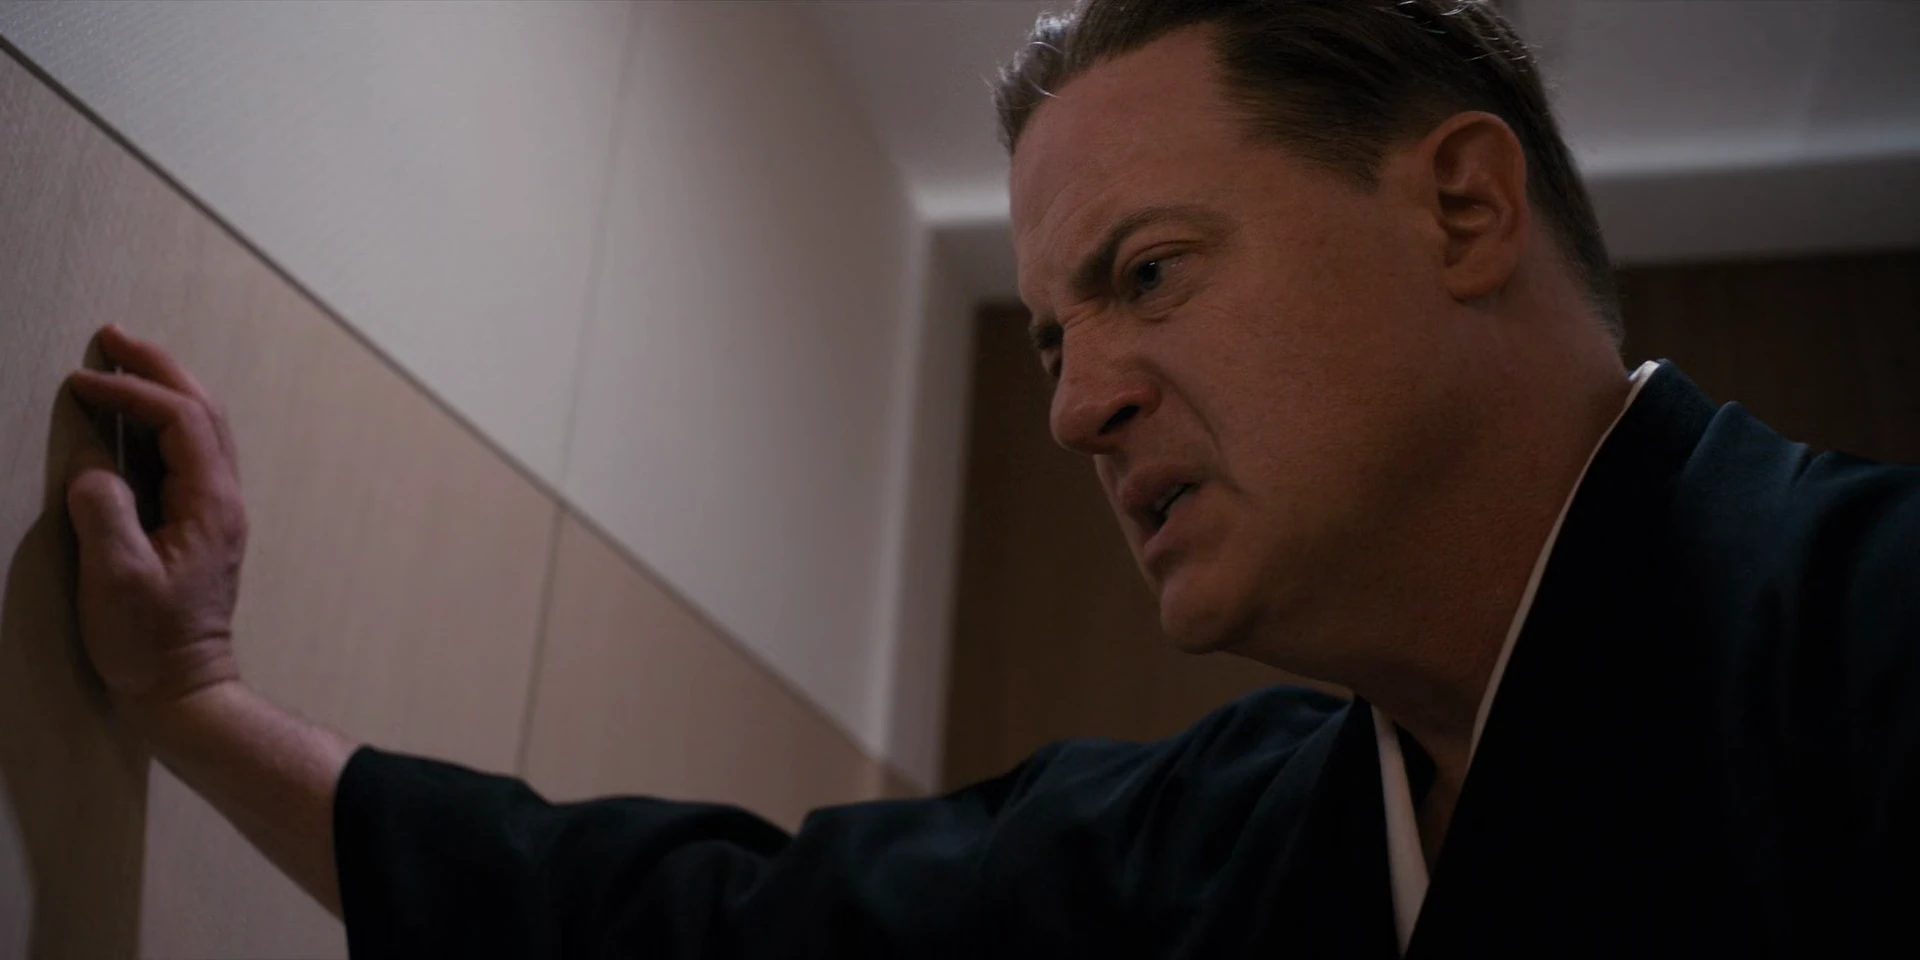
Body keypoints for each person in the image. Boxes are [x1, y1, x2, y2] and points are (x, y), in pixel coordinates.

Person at [63, 0, 1919, 957]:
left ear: (1460, 207)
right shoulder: (1223, 846)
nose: (1077, 408)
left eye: (1149, 273)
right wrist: (198, 700)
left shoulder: (1874, 632)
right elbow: (696, 932)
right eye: (1046, 339)